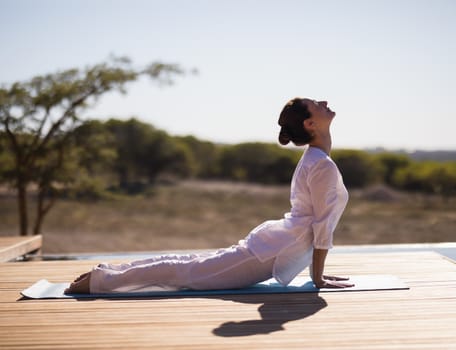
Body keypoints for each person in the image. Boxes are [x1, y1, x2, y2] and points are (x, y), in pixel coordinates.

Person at [65, 97, 353, 294]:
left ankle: (107, 273)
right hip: (272, 250)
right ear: (309, 124)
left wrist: (317, 275)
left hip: (275, 244)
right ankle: (102, 279)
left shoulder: (317, 160)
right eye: (317, 104)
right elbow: (322, 225)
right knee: (187, 272)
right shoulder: (321, 164)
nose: (324, 103)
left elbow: (320, 223)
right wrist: (318, 278)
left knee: (190, 264)